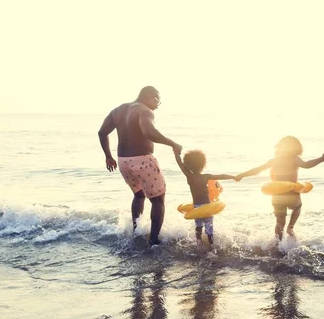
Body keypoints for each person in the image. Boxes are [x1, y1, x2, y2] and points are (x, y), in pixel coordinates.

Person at [97, 86, 182, 246]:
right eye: (157, 100)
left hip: (123, 161)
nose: (158, 104)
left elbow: (102, 133)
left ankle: (137, 232)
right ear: (149, 96)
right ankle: (154, 241)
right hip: (143, 161)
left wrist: (108, 156)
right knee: (158, 201)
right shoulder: (145, 110)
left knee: (139, 195)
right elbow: (149, 132)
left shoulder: (118, 110)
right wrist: (173, 144)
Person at [236, 136, 324, 240]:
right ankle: (290, 228)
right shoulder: (294, 158)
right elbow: (307, 165)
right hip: (291, 193)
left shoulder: (274, 160)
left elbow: (257, 170)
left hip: (277, 195)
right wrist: (322, 159)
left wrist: (242, 175)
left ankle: (278, 243)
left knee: (279, 222)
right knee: (298, 207)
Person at [174, 149, 236, 251]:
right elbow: (221, 176)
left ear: (188, 165)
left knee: (198, 226)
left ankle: (199, 242)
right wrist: (233, 177)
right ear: (203, 164)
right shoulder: (206, 177)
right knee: (209, 226)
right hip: (207, 207)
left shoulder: (189, 176)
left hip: (197, 207)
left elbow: (180, 164)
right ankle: (211, 244)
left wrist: (176, 153)